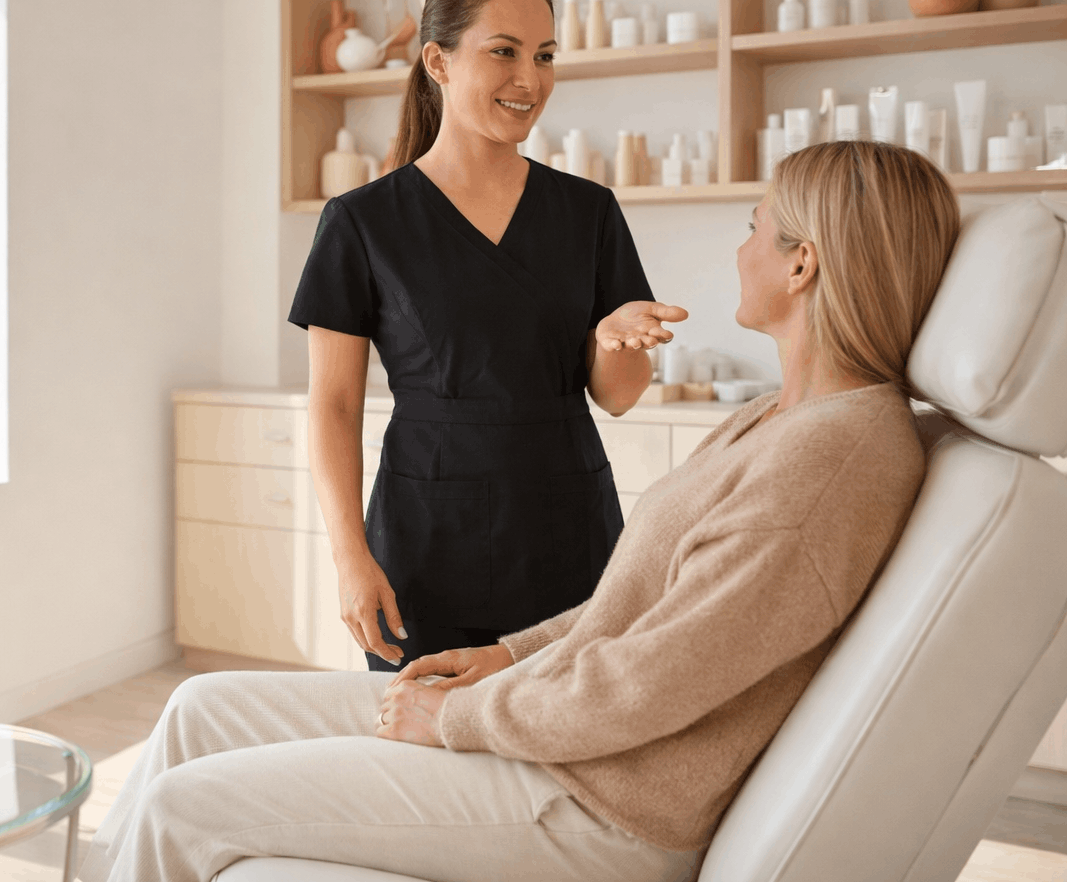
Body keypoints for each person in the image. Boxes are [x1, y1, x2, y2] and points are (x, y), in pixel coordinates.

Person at [75, 140, 962, 882]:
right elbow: (643, 606)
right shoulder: (779, 420)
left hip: (602, 798)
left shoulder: (826, 460)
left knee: (180, 806)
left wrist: (458, 718)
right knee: (200, 706)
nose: (741, 248)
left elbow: (653, 679)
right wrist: (505, 657)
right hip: (562, 730)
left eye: (753, 227)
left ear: (802, 262)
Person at [291, 0, 688, 672]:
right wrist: (350, 557)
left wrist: (613, 339)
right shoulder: (362, 222)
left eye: (544, 56)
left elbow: (619, 397)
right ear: (437, 62)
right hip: (423, 538)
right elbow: (335, 403)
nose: (529, 80)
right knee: (421, 749)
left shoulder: (588, 212)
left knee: (564, 733)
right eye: (503, 52)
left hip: (570, 528)